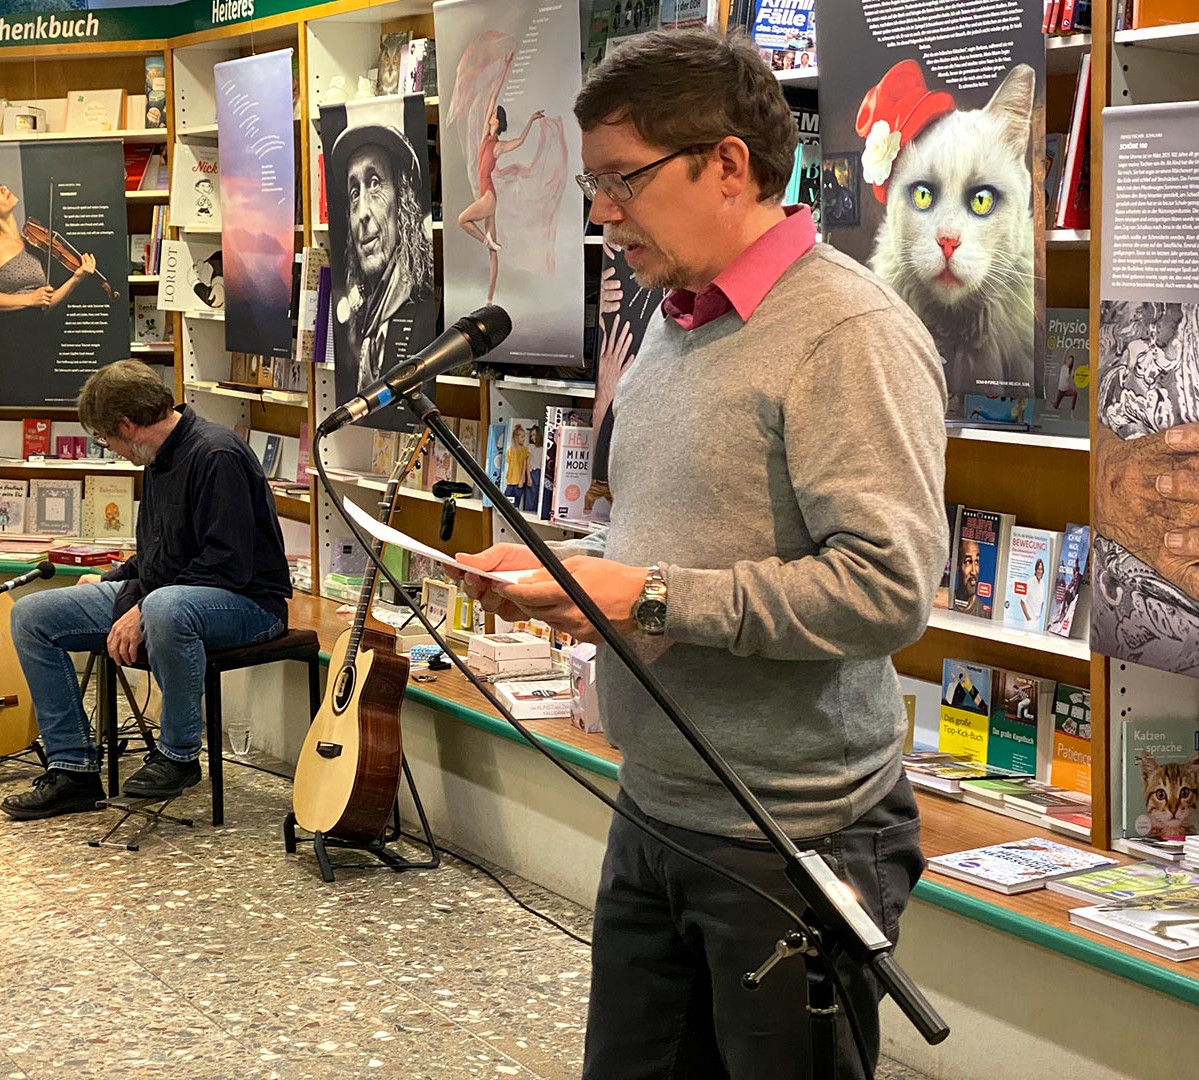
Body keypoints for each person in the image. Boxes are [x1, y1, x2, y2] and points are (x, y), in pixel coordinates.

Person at [455, 28, 946, 1080]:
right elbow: (664, 535)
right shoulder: (672, 322)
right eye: (594, 184)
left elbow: (889, 589)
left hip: (792, 832)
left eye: (622, 180)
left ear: (727, 165)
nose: (600, 211)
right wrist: (569, 573)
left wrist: (648, 597)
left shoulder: (848, 334)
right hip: (659, 806)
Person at [1, 361, 292, 819]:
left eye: (105, 439)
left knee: (165, 608)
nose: (109, 449)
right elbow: (161, 554)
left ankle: (178, 754)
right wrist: (114, 580)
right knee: (33, 615)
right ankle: (73, 767)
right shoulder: (158, 458)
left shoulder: (216, 455)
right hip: (166, 595)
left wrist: (142, 607)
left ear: (127, 425)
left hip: (248, 603)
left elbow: (228, 564)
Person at [329, 123, 435, 390]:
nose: (362, 212)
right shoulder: (361, 318)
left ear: (402, 200)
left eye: (374, 183)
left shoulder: (425, 310)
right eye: (355, 193)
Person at [454, 52, 547, 304]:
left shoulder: (498, 145)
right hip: (486, 194)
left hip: (489, 196)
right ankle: (490, 300)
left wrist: (530, 121)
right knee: (493, 255)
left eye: (494, 114)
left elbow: (520, 141)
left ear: (498, 120)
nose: (490, 114)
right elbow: (493, 96)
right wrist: (505, 68)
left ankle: (488, 241)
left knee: (463, 219)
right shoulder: (487, 135)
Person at [0, 180, 94, 313]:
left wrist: (76, 279)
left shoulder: (30, 244)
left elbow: (45, 302)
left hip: (38, 329)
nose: (3, 188)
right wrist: (30, 298)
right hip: (12, 330)